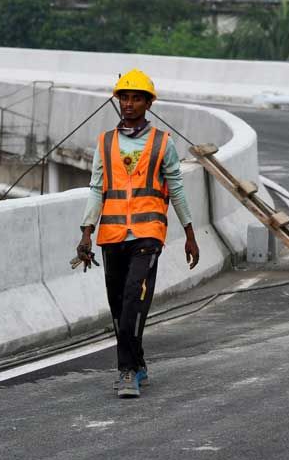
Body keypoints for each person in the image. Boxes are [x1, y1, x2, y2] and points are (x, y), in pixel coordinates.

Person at [76, 69, 200, 399]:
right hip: (112, 234)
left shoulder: (163, 143)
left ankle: (126, 371)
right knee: (119, 307)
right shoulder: (104, 144)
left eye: (136, 98)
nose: (129, 104)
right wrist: (86, 232)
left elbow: (176, 188)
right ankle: (139, 360)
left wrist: (189, 232)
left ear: (148, 103)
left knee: (134, 298)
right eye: (124, 98)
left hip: (149, 234)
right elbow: (96, 189)